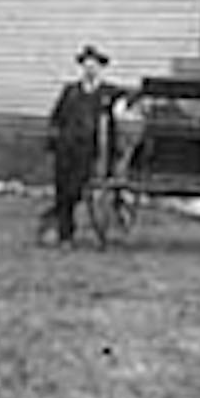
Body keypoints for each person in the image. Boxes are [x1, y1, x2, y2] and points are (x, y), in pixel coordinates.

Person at [45, 44, 128, 247]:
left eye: (94, 66)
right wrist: (55, 141)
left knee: (82, 190)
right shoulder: (71, 92)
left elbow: (129, 99)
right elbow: (56, 119)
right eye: (86, 66)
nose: (90, 70)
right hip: (68, 149)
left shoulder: (108, 92)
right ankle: (65, 234)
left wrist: (120, 106)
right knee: (64, 192)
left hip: (94, 152)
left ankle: (96, 230)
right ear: (82, 68)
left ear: (100, 69)